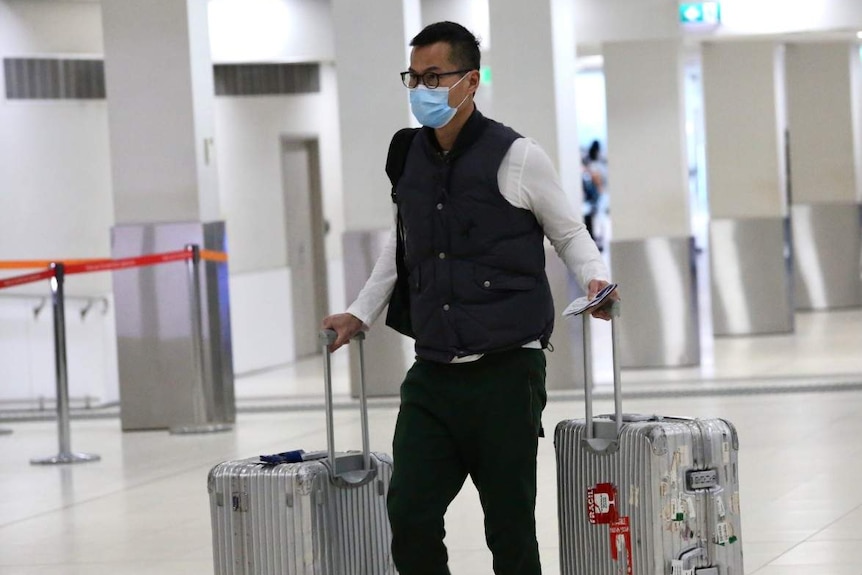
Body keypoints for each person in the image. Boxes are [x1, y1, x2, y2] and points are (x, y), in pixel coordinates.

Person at [322, 21, 618, 575]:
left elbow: (569, 233)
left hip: (506, 373)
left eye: (434, 76)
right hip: (433, 373)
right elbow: (403, 244)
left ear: (471, 81)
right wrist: (360, 313)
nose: (421, 89)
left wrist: (595, 279)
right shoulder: (407, 155)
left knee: (508, 527)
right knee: (409, 514)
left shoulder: (518, 156)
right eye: (413, 77)